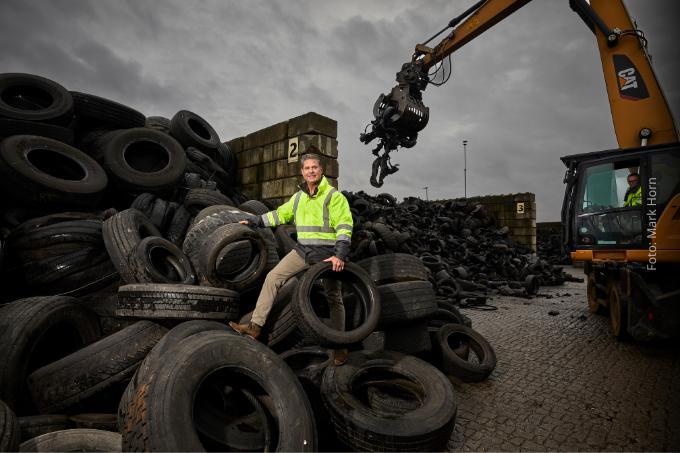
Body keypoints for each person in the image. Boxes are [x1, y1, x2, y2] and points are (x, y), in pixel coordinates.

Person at [229, 152, 353, 365]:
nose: (311, 171)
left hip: (327, 255)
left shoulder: (334, 197)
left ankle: (339, 346)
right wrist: (255, 221)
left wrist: (339, 255)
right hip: (303, 251)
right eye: (307, 168)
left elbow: (344, 225)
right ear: (302, 172)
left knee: (334, 297)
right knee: (273, 277)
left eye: (315, 167)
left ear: (321, 170)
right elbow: (279, 215)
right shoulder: (298, 197)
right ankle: (255, 327)